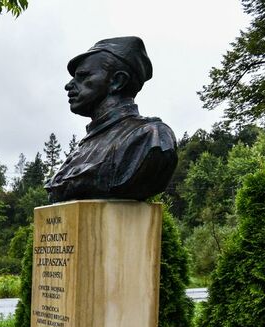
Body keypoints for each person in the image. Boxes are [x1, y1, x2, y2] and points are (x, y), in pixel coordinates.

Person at [46, 36, 178, 203]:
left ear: (117, 81)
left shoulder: (150, 137)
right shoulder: (85, 147)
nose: (69, 85)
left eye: (82, 76)